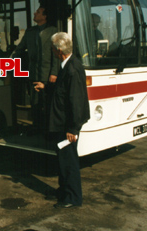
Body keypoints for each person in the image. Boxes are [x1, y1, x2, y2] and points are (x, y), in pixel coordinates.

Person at [48, 32, 90, 208]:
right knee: (63, 160)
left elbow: (76, 100)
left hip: (67, 125)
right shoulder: (68, 65)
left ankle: (72, 198)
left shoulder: (72, 68)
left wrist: (73, 128)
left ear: (59, 50)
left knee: (69, 161)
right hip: (63, 123)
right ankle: (64, 191)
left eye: (52, 48)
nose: (52, 51)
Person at [12, 3, 59, 130]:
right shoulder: (30, 32)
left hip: (47, 75)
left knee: (47, 103)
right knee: (34, 103)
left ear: (45, 16)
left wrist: (54, 73)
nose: (34, 13)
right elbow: (20, 49)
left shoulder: (53, 31)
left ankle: (48, 129)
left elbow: (56, 55)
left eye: (38, 12)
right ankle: (36, 128)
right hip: (33, 74)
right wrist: (10, 59)